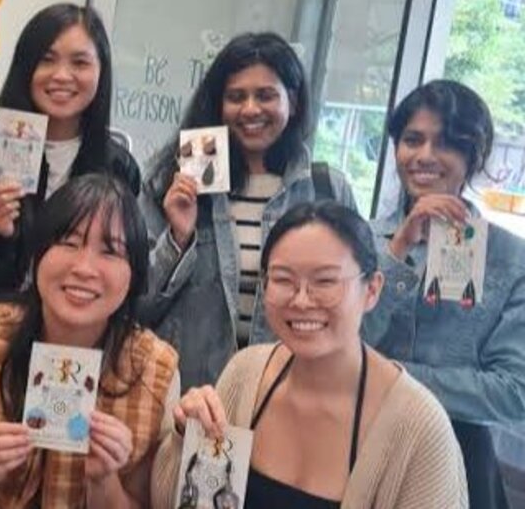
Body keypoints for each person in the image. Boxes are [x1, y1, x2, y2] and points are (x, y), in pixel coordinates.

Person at [152, 201, 468, 509]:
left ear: (372, 289)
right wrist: (185, 437)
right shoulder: (245, 372)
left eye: (326, 281)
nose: (301, 300)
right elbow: (179, 501)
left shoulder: (419, 427)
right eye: (283, 279)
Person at [0, 174, 179, 509]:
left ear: (134, 274)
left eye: (110, 251)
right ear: (38, 255)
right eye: (68, 242)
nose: (84, 268)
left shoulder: (154, 373)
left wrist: (103, 480)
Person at [139, 32, 356, 390]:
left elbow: (352, 306)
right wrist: (178, 238)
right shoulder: (171, 181)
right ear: (217, 104)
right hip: (187, 394)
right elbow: (137, 304)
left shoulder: (325, 191)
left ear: (294, 100)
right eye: (236, 97)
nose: (251, 109)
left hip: (289, 395)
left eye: (266, 95)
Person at [362, 79, 525, 508]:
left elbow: (514, 393)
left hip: (458, 459)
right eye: (412, 140)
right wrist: (397, 250)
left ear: (474, 156)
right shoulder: (359, 240)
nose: (425, 156)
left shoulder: (511, 259)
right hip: (357, 444)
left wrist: (393, 378)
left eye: (446, 143)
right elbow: (339, 343)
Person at [0, 2, 140, 301]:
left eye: (80, 63)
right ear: (25, 67)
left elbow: (126, 269)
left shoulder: (119, 166)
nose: (61, 75)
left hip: (77, 331)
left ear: (101, 71)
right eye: (46, 59)